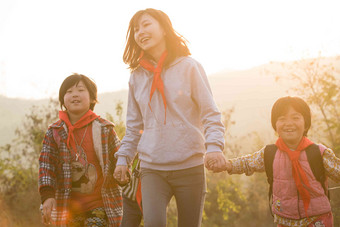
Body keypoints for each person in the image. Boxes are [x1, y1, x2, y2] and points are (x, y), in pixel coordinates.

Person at [113, 8, 226, 227]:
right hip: (152, 168)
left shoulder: (189, 67)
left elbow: (210, 113)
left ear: (164, 28)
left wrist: (214, 146)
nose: (140, 32)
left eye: (146, 25)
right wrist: (122, 159)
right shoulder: (136, 76)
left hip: (189, 167)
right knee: (153, 223)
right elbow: (134, 127)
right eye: (136, 29)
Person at [220, 96, 340, 227]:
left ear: (306, 123)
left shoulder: (319, 153)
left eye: (295, 118)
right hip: (284, 221)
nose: (289, 123)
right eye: (282, 119)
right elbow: (247, 163)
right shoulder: (270, 153)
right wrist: (228, 165)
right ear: (275, 125)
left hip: (317, 220)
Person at [38, 73, 125, 227]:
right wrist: (47, 196)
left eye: (80, 90)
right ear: (63, 99)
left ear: (92, 98)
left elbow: (120, 157)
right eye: (69, 92)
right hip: (68, 207)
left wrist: (123, 172)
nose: (75, 95)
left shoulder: (105, 129)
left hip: (101, 205)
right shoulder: (55, 132)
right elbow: (46, 165)